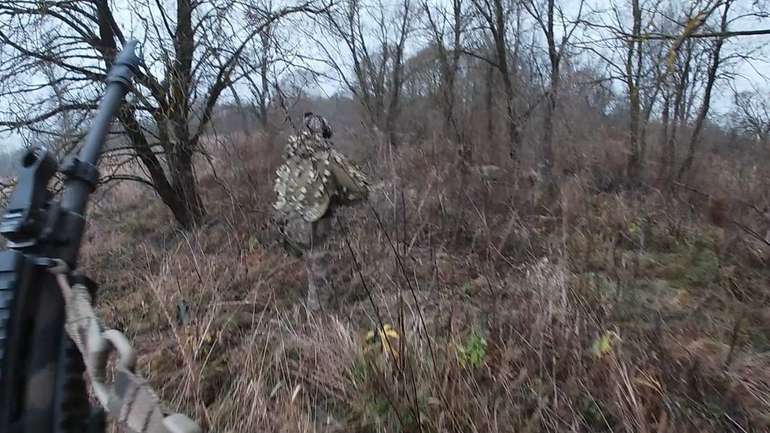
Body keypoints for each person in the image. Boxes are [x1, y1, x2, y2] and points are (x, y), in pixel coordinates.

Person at [273, 112, 369, 310]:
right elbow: (360, 190)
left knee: (311, 265)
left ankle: (311, 307)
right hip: (313, 227)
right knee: (319, 271)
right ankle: (318, 321)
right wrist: (336, 197)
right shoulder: (327, 159)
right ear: (323, 133)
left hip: (289, 226)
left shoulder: (292, 158)